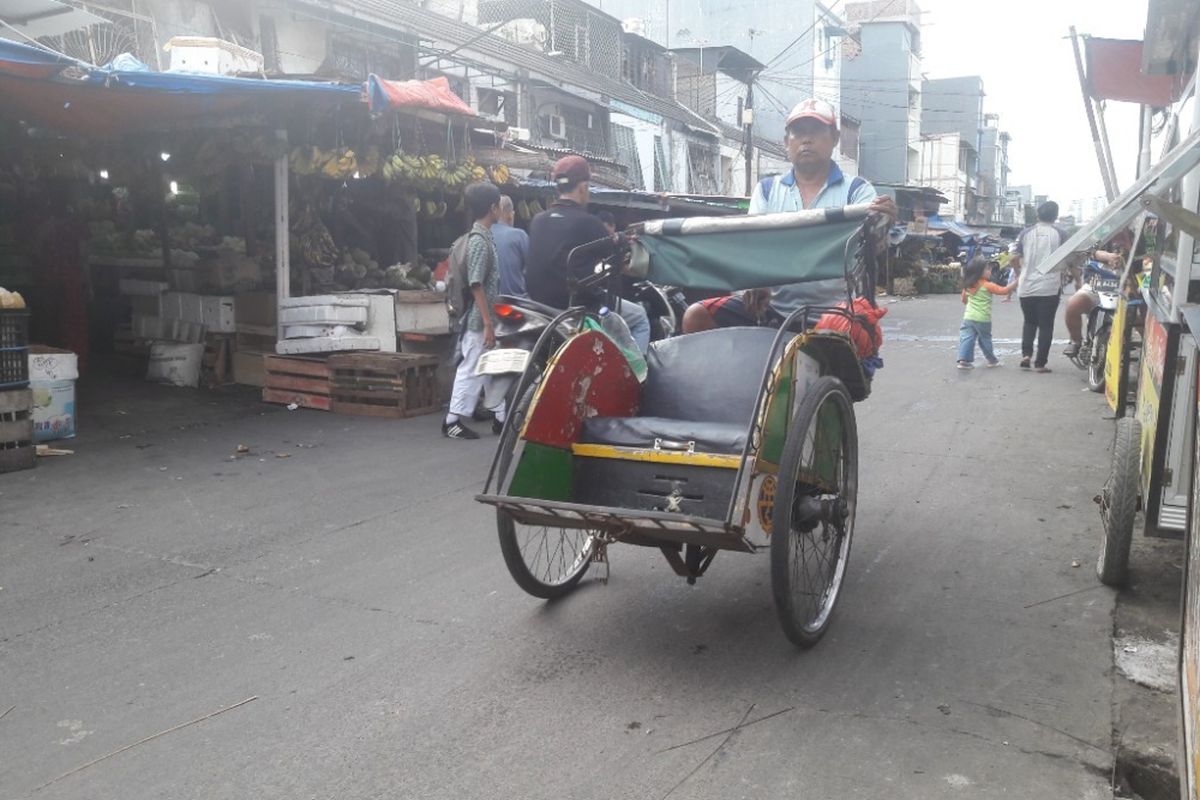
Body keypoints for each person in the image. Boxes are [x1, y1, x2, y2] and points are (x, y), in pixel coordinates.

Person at [681, 98, 896, 333]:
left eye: (815, 131)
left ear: (834, 139)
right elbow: (753, 249)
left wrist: (883, 224)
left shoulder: (858, 191)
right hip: (772, 307)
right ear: (786, 142)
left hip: (836, 312)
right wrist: (756, 284)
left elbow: (871, 248)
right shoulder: (766, 190)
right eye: (798, 133)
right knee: (696, 316)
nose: (806, 139)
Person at [526, 155, 651, 352]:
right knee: (640, 317)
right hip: (578, 308)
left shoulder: (538, 220)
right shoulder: (588, 223)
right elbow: (616, 259)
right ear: (583, 187)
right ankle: (635, 377)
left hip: (539, 307)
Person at [443, 182, 506, 440]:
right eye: (499, 204)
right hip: (480, 322)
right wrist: (488, 323)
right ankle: (452, 421)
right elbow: (476, 283)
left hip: (484, 319)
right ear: (493, 208)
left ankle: (501, 418)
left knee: (492, 368)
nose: (501, 208)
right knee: (471, 368)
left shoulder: (483, 236)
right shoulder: (479, 241)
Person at [1013, 201, 1070, 372]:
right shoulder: (1061, 233)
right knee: (1046, 325)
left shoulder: (1025, 233)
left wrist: (1018, 275)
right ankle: (1040, 364)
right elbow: (1071, 259)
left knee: (1029, 322)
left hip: (1026, 286)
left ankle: (1026, 355)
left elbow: (1013, 258)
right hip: (1049, 288)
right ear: (1055, 216)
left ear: (1038, 215)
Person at [1063, 231, 1131, 359]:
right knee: (1072, 305)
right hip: (1096, 286)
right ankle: (1076, 341)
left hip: (1125, 289)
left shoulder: (1137, 237)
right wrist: (1104, 255)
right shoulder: (1101, 233)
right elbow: (1090, 250)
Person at [957, 256, 1016, 369]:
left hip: (968, 317)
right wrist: (1016, 282)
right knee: (985, 339)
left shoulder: (968, 286)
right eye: (987, 269)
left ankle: (963, 361)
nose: (990, 271)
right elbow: (1004, 291)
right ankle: (992, 360)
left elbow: (964, 300)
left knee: (967, 338)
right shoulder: (988, 285)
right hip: (983, 318)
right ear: (979, 272)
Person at [491, 195, 529, 297]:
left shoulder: (480, 235)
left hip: (487, 300)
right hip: (516, 300)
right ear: (510, 215)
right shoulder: (519, 235)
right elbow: (533, 267)